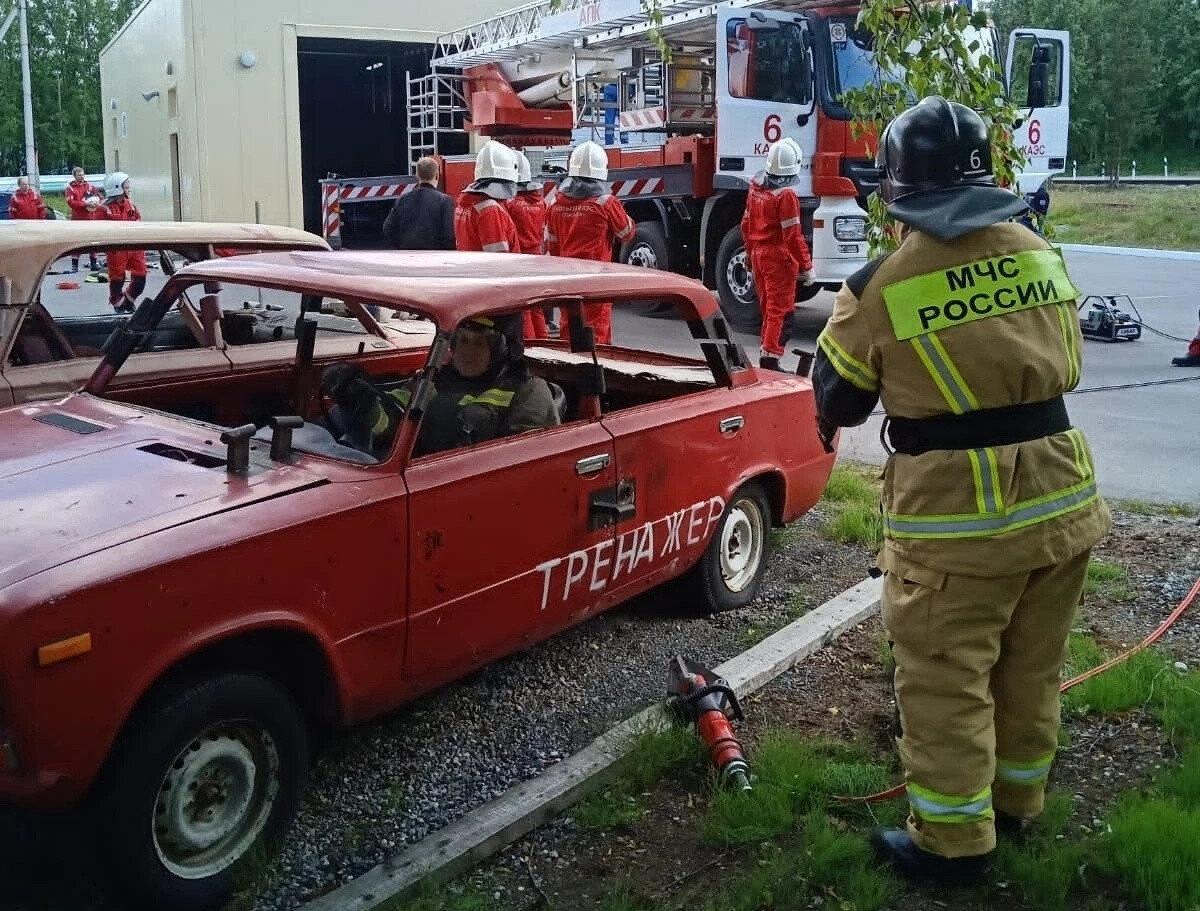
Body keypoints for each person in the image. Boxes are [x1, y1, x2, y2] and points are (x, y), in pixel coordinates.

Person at [812, 96, 1111, 883]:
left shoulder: (880, 283)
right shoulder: (1038, 249)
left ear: (899, 196)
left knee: (947, 679)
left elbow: (837, 399)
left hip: (958, 527)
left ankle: (952, 844)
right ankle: (1017, 805)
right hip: (1064, 501)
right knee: (1029, 666)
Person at [320, 313, 559, 459]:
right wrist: (360, 401)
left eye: (480, 344)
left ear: (504, 351)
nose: (467, 352)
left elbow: (527, 464)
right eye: (462, 341)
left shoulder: (528, 391)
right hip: (413, 479)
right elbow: (390, 422)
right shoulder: (432, 380)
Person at [545, 141, 635, 345]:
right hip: (597, 280)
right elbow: (627, 233)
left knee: (569, 326)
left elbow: (553, 245)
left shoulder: (555, 202)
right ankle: (595, 373)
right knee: (597, 333)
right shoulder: (605, 202)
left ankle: (570, 371)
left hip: (566, 278)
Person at [740, 139, 815, 370]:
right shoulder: (786, 196)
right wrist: (807, 266)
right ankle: (770, 359)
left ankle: (767, 353)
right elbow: (792, 236)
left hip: (759, 255)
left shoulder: (756, 188)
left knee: (768, 310)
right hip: (778, 258)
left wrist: (749, 253)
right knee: (780, 312)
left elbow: (746, 223)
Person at [506, 150, 550, 341]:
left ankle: (530, 345)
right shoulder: (540, 202)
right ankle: (543, 342)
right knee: (537, 307)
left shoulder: (512, 204)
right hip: (537, 259)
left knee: (523, 309)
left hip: (519, 260)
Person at [96, 172, 146, 313]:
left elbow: (139, 221)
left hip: (134, 247)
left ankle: (128, 301)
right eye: (126, 186)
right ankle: (118, 303)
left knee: (140, 279)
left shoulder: (131, 206)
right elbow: (97, 229)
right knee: (117, 279)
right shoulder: (104, 209)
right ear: (118, 188)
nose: (129, 188)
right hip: (117, 249)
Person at [382, 156, 455, 251]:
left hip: (406, 257)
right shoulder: (445, 201)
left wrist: (401, 246)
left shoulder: (402, 200)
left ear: (417, 175)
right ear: (437, 175)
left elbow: (388, 228)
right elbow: (449, 235)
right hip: (436, 258)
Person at [64, 166, 102, 271]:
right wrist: (84, 204)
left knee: (93, 241)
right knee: (77, 242)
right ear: (74, 176)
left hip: (91, 218)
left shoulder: (90, 186)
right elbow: (71, 203)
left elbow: (99, 197)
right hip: (78, 219)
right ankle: (74, 265)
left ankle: (94, 263)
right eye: (79, 175)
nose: (81, 176)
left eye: (82, 174)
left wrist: (95, 203)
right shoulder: (70, 189)